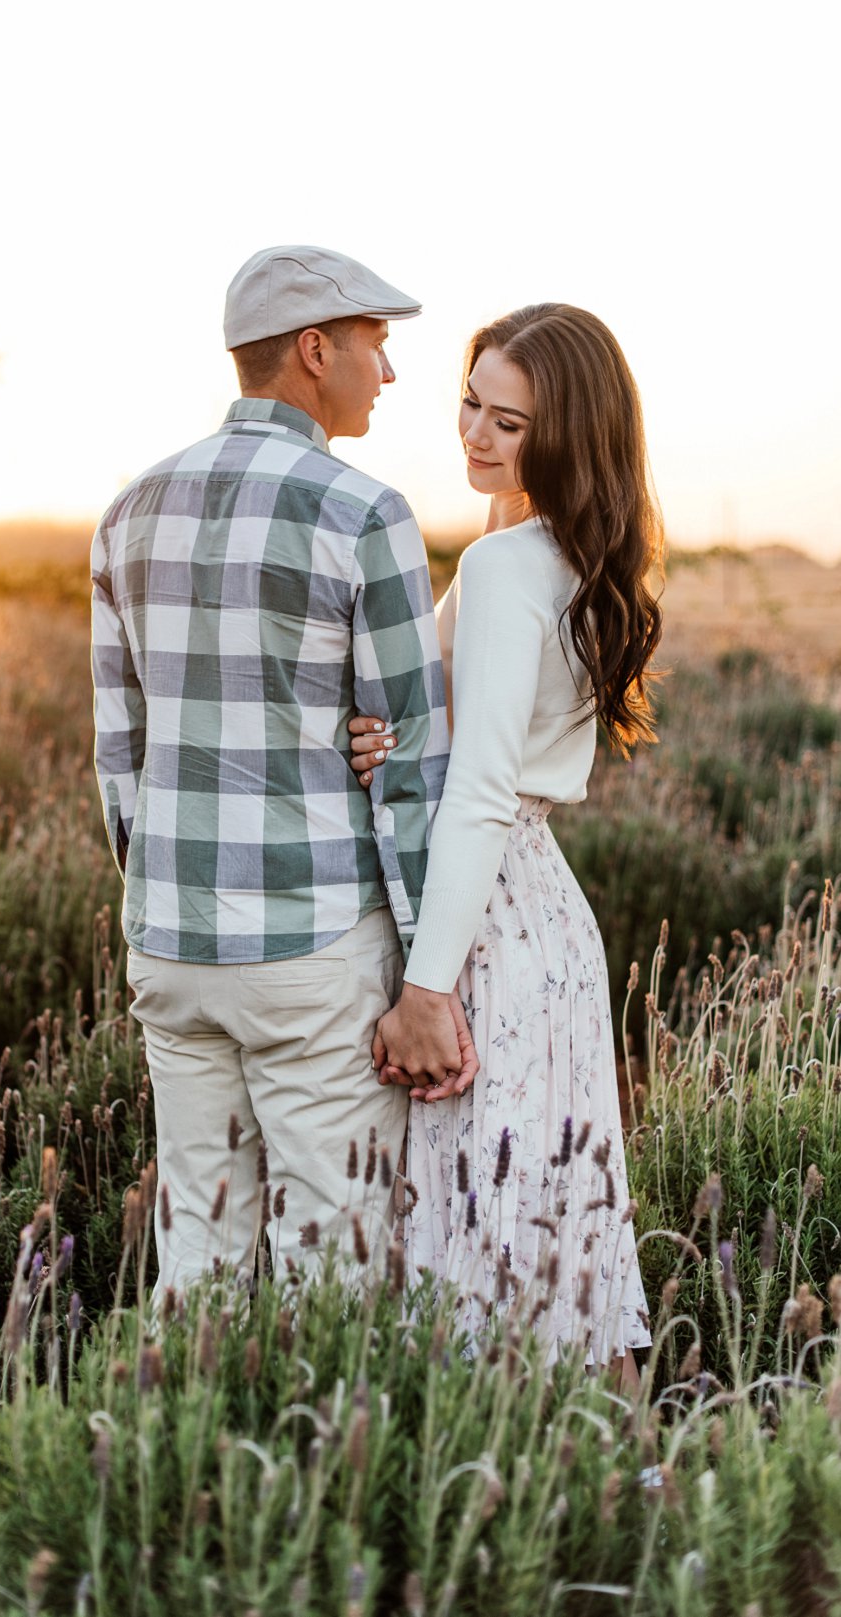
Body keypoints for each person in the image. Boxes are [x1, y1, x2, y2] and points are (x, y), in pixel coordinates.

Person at [91, 245, 474, 1298]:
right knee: (335, 1270)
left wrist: (156, 891)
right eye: (375, 346)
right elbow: (412, 770)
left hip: (167, 942)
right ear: (315, 351)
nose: (387, 374)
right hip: (311, 947)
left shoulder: (127, 512)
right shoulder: (364, 513)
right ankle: (322, 1465)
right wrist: (423, 974)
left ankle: (185, 1461)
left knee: (198, 1257)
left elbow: (117, 756)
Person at [349, 304, 661, 1379]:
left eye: (510, 423)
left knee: (486, 1231)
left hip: (482, 922)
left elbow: (479, 787)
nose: (476, 436)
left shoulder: (507, 567)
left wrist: (428, 988)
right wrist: (383, 736)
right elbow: (423, 708)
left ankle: (522, 1504)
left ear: (569, 433)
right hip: (547, 924)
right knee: (567, 1231)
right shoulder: (564, 553)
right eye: (470, 405)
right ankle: (630, 1488)